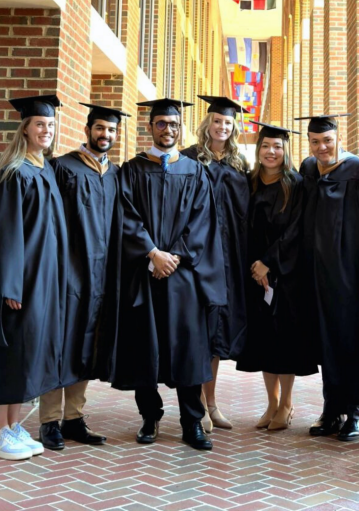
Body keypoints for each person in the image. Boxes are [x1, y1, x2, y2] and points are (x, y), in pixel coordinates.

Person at [114, 98, 226, 451]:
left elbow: (202, 221)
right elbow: (125, 216)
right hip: (144, 271)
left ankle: (192, 421)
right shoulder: (131, 170)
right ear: (150, 127)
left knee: (189, 347)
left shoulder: (194, 171)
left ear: (180, 129)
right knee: (144, 344)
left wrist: (173, 255)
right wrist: (151, 253)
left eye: (173, 125)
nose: (167, 130)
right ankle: (150, 416)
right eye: (161, 124)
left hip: (182, 274)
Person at [0, 94, 68, 460]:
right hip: (19, 281)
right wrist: (11, 285)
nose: (46, 130)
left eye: (50, 125)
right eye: (39, 125)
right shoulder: (16, 173)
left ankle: (13, 427)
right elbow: (7, 235)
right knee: (9, 352)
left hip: (40, 279)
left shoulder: (43, 170)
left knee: (24, 355)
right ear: (25, 129)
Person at [37, 103, 128, 451]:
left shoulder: (115, 174)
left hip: (102, 276)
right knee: (60, 342)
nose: (106, 134)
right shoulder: (62, 167)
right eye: (101, 128)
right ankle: (48, 421)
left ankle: (73, 417)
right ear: (88, 129)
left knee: (88, 343)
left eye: (112, 130)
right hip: (68, 273)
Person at [295, 114, 359, 442]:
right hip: (319, 276)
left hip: (352, 276)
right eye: (316, 142)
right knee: (328, 343)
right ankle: (332, 409)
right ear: (309, 142)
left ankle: (357, 413)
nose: (322, 147)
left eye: (328, 141)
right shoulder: (308, 168)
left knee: (355, 341)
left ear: (339, 139)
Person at [235, 122, 317, 431]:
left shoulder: (295, 184)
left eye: (278, 147)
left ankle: (287, 403)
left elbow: (297, 229)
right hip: (256, 275)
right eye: (266, 146)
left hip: (287, 274)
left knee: (285, 341)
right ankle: (271, 402)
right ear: (258, 150)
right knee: (264, 341)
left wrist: (269, 262)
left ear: (286, 151)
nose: (272, 151)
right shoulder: (250, 182)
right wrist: (255, 266)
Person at [180, 96, 250, 433]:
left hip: (229, 260)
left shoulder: (239, 164)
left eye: (228, 123)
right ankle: (194, 406)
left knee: (218, 333)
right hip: (198, 259)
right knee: (199, 333)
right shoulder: (189, 160)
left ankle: (211, 403)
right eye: (217, 121)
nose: (222, 127)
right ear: (207, 123)